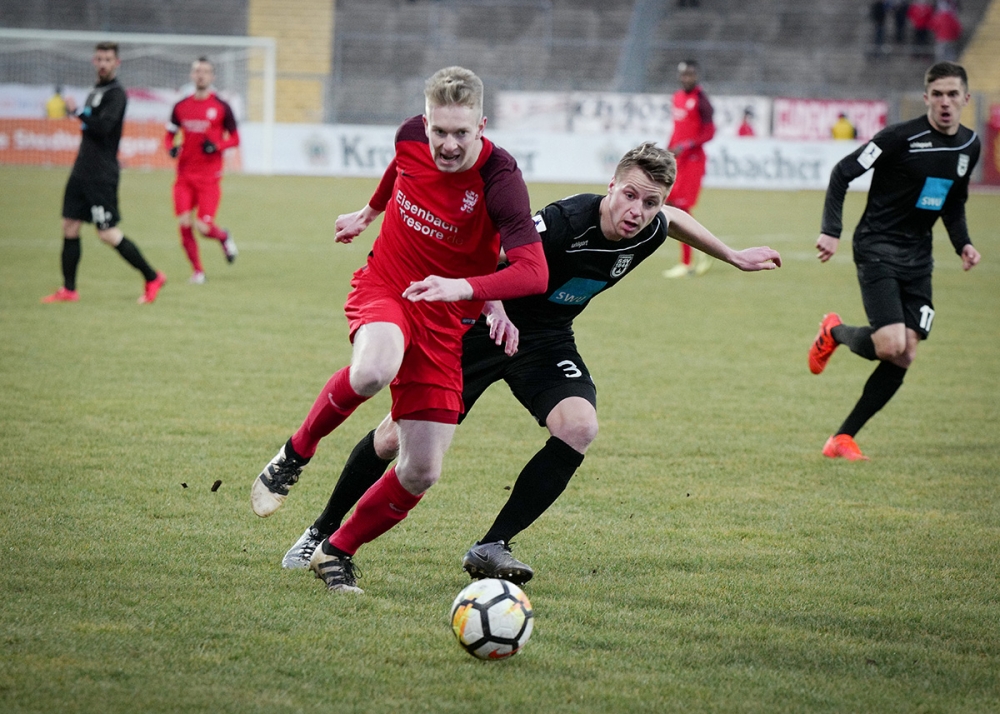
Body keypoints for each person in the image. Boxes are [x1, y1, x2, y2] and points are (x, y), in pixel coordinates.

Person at [279, 143, 782, 587]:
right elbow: (491, 255)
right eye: (629, 195)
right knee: (394, 439)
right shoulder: (565, 221)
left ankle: (492, 545)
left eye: (650, 202)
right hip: (480, 329)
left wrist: (733, 255)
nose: (637, 211)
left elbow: (675, 221)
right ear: (611, 185)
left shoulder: (649, 229)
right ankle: (320, 532)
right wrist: (494, 310)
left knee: (579, 427)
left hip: (545, 340)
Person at [249, 66, 549, 593]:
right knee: (373, 369)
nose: (448, 145)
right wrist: (369, 212)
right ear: (424, 122)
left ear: (481, 126)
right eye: (440, 131)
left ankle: (335, 551)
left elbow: (534, 272)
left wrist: (469, 291)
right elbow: (399, 170)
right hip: (387, 284)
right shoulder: (410, 136)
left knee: (421, 471)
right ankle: (296, 452)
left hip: (444, 322)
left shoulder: (500, 179)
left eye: (461, 133)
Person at [809, 62, 980, 461]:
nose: (945, 102)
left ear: (966, 99)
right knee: (891, 345)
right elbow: (842, 172)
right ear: (926, 98)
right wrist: (831, 229)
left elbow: (953, 200)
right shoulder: (899, 138)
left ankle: (842, 438)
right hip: (877, 247)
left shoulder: (969, 146)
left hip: (919, 257)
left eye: (953, 94)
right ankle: (833, 331)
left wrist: (963, 244)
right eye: (937, 94)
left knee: (906, 352)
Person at [41, 41, 165, 305]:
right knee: (69, 225)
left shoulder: (116, 94)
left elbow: (104, 128)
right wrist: (81, 114)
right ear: (93, 61)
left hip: (101, 174)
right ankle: (69, 290)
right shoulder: (95, 91)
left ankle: (152, 276)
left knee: (107, 233)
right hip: (81, 169)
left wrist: (77, 112)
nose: (103, 64)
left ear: (116, 63)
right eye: (99, 59)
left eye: (108, 59)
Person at [164, 57, 240, 284]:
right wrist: (171, 148)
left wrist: (217, 146)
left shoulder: (221, 106)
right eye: (197, 71)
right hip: (184, 177)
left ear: (212, 76)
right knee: (184, 224)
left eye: (205, 71)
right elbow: (169, 135)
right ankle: (198, 272)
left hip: (209, 178)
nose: (201, 75)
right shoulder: (180, 106)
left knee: (204, 227)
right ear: (192, 74)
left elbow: (235, 138)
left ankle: (223, 237)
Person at [663, 60, 716, 279]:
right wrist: (668, 150)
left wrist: (687, 145)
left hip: (693, 161)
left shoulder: (702, 101)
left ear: (697, 76)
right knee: (667, 203)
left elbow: (710, 132)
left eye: (691, 74)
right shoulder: (677, 97)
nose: (687, 78)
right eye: (684, 74)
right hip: (677, 160)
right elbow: (677, 129)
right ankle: (706, 250)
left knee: (682, 208)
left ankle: (687, 262)